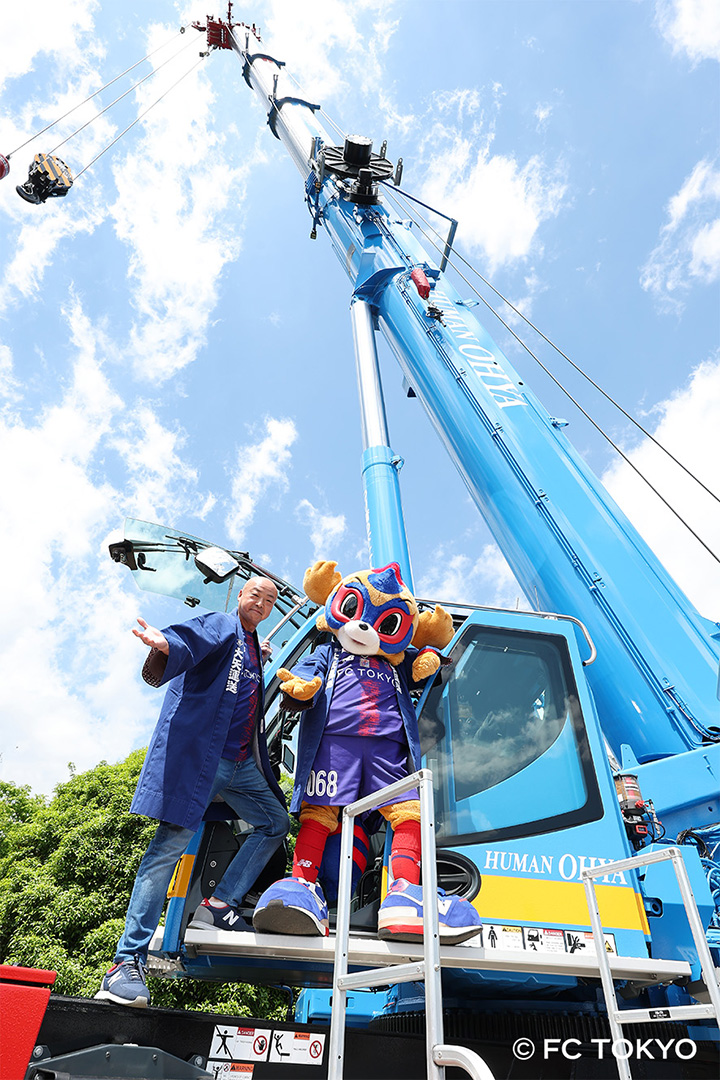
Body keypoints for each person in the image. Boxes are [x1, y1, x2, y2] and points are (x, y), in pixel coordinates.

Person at [96, 576, 289, 1008]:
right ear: (241, 596)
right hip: (204, 761)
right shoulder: (223, 624)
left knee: (275, 821)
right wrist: (163, 641)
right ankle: (123, 964)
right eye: (254, 594)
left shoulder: (255, 648)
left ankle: (219, 904)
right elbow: (194, 635)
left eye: (269, 600)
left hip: (239, 766)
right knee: (166, 850)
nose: (261, 602)